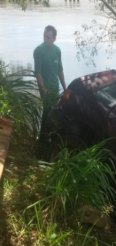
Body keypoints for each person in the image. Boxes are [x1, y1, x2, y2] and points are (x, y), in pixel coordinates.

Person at [33, 25, 66, 154]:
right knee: (47, 115)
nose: (46, 39)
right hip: (45, 89)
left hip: (55, 89)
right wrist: (43, 90)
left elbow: (60, 70)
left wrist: (65, 88)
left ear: (54, 38)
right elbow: (38, 73)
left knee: (53, 115)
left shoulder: (57, 51)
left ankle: (48, 142)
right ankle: (41, 146)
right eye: (44, 36)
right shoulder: (39, 51)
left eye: (48, 37)